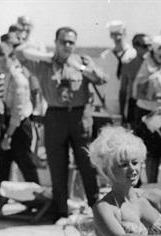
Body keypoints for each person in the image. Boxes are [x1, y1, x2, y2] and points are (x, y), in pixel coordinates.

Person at [16, 26, 107, 222]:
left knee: (86, 164)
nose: (67, 46)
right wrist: (46, 55)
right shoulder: (44, 65)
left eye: (71, 42)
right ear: (56, 42)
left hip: (79, 116)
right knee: (57, 166)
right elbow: (18, 53)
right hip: (55, 117)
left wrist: (80, 68)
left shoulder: (82, 60)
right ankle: (61, 212)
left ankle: (97, 210)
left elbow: (101, 79)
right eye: (63, 41)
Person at [0, 42, 40, 218]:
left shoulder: (18, 79)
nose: (1, 64)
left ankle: (37, 203)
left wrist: (8, 137)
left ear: (12, 58)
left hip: (19, 128)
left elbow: (18, 113)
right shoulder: (6, 77)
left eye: (4, 60)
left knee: (26, 165)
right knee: (2, 167)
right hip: (8, 125)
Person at [133, 35, 161, 183]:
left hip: (158, 114)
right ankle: (139, 186)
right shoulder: (147, 67)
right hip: (145, 113)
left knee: (155, 153)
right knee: (144, 152)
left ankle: (152, 186)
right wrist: (158, 96)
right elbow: (136, 92)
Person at [94, 20, 136, 134]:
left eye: (119, 33)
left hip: (129, 101)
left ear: (125, 33)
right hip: (110, 101)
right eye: (114, 34)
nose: (117, 37)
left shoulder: (133, 54)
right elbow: (100, 81)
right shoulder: (105, 55)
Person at [119, 33, 151, 129]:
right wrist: (122, 113)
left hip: (150, 103)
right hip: (134, 105)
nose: (148, 49)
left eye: (150, 45)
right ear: (135, 46)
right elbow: (123, 90)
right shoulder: (128, 65)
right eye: (145, 46)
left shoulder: (155, 64)